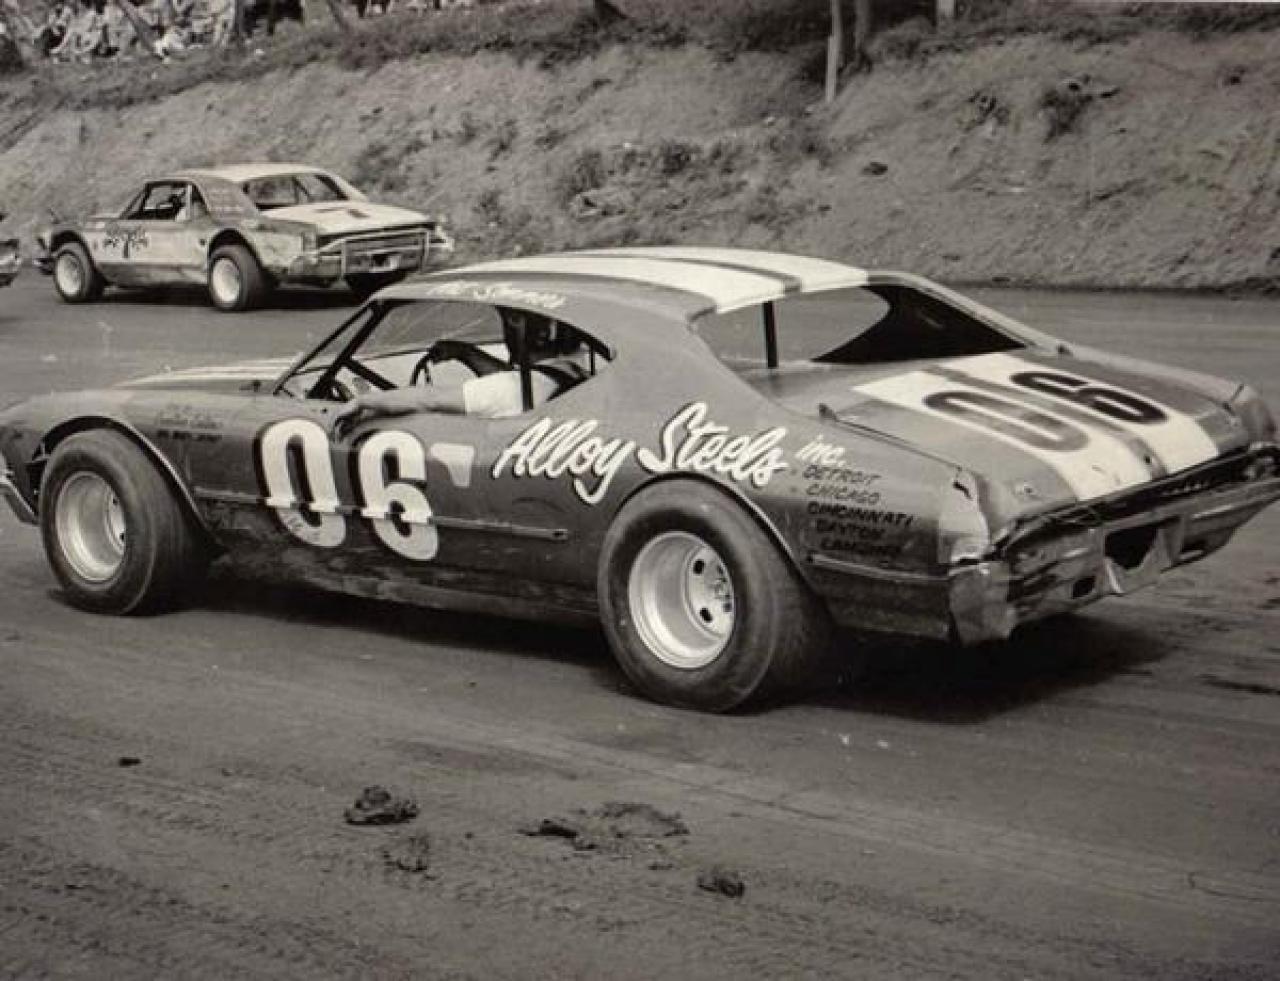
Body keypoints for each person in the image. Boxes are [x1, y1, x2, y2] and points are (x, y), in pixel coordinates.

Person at [330, 309, 590, 438]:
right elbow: (514, 382)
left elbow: (430, 399)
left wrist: (364, 401)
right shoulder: (571, 371)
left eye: (509, 323)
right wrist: (466, 353)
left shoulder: (510, 389)